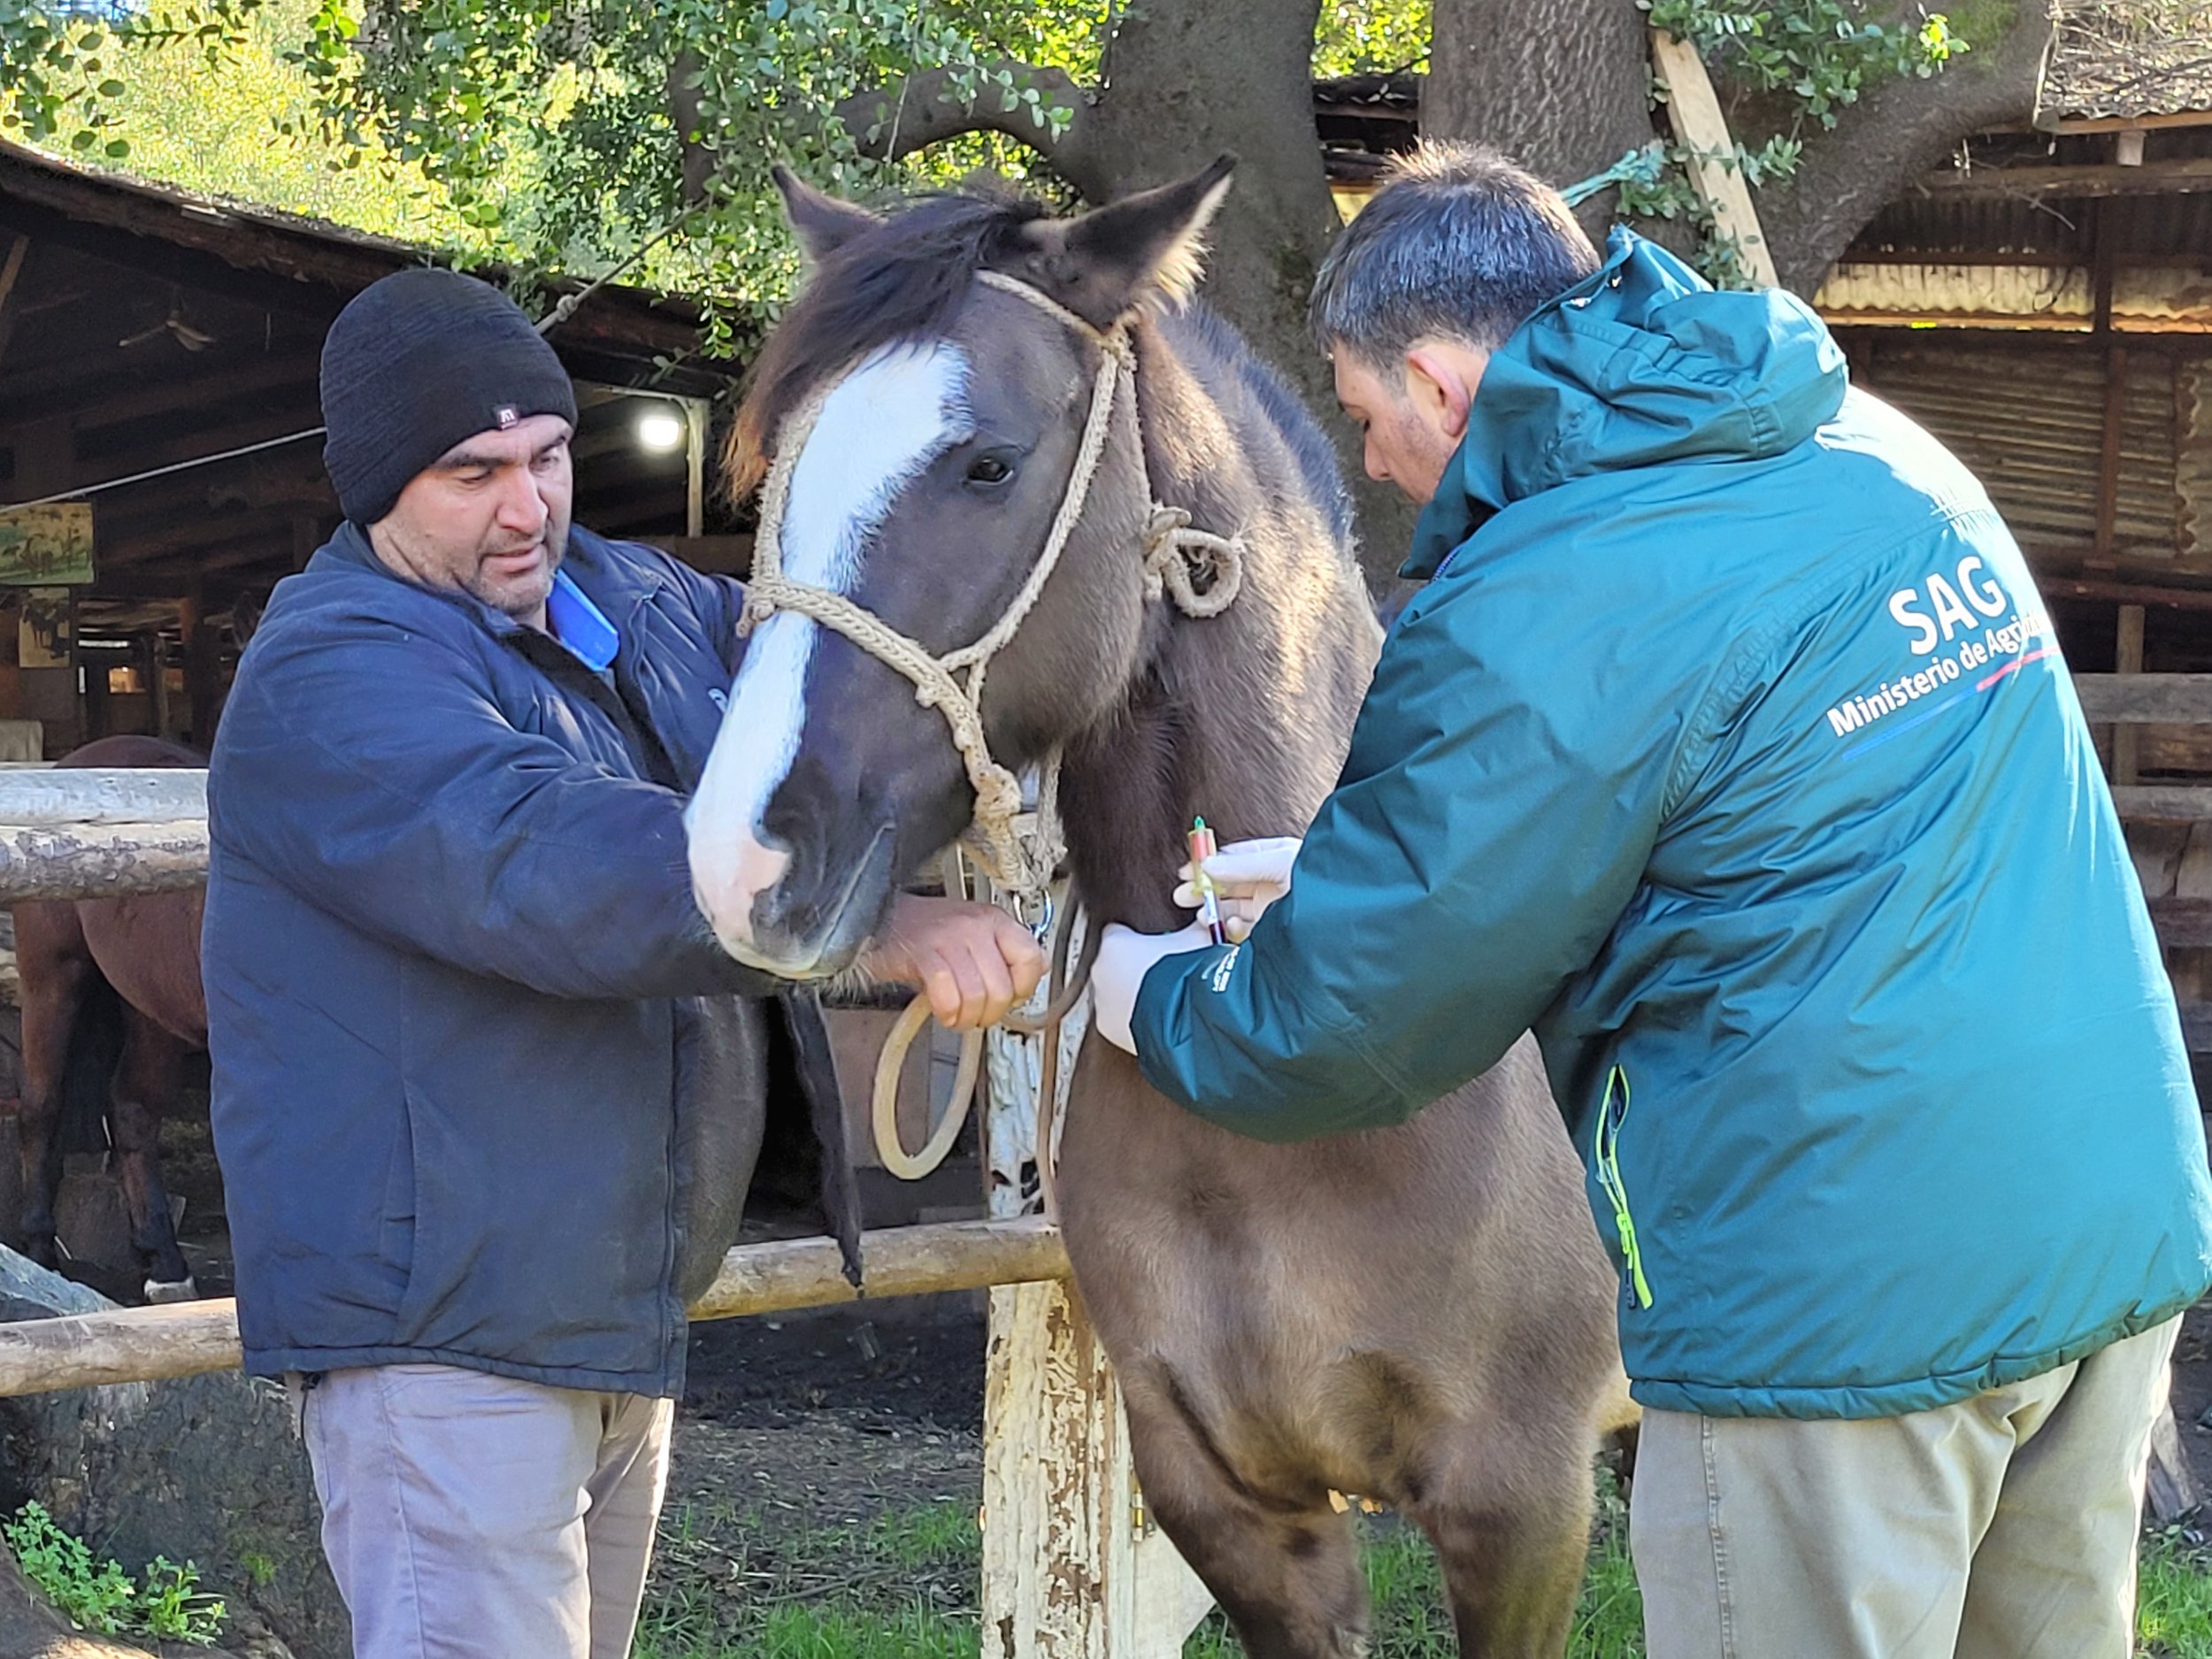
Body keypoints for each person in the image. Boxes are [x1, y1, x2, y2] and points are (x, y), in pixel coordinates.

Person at [1089, 143, 2212, 1659]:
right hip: (2102, 1222)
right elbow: (1770, 818)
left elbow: (1350, 1023)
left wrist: (1152, 996)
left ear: (1438, 385)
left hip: (1838, 1303)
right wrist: (1347, 871)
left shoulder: (1547, 584)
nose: (1374, 467)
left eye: (1362, 416)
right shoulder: (1868, 452)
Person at [201, 266, 1045, 1659]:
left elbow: (835, 698)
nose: (527, 507)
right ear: (377, 489)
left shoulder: (636, 600)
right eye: (471, 474)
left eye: (545, 457)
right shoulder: (331, 672)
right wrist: (877, 922)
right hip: (445, 1330)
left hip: (601, 1301)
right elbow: (544, 859)